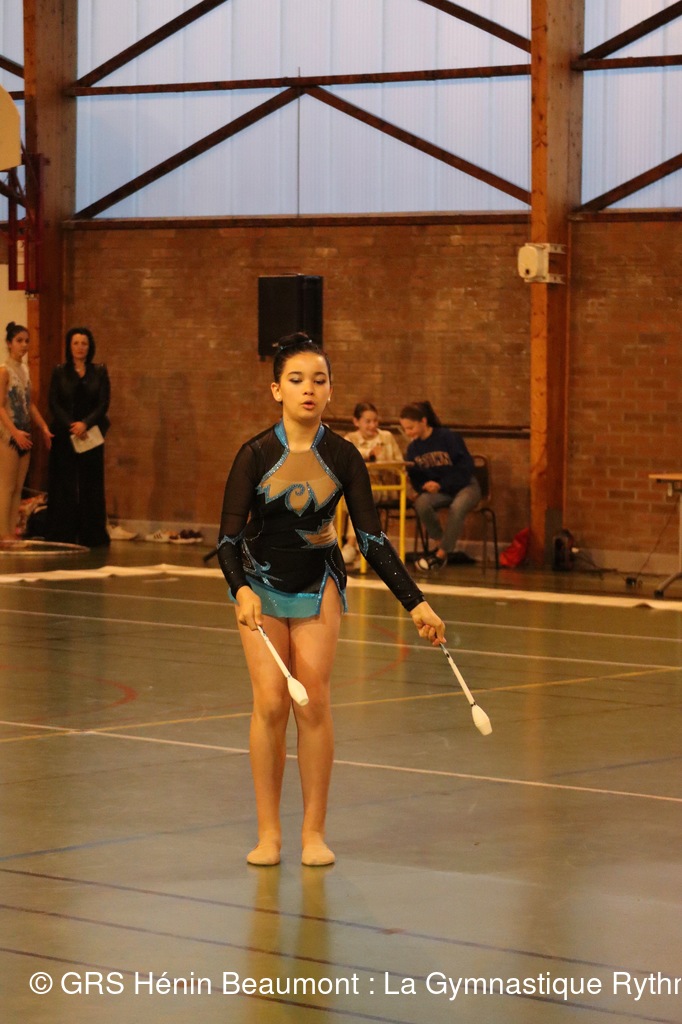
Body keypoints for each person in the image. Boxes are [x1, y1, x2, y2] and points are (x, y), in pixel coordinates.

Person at [217, 334, 445, 868]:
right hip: (258, 585)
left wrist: (416, 603)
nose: (309, 389)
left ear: (330, 390)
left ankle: (313, 832)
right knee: (270, 702)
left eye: (319, 380)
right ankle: (269, 833)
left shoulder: (343, 456)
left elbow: (371, 540)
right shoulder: (254, 454)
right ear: (276, 389)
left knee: (312, 700)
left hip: (318, 582)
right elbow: (227, 539)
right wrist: (240, 589)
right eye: (296, 379)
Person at [46, 326, 111, 547]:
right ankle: (61, 532)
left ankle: (92, 534)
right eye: (76, 343)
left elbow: (103, 403)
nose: (80, 347)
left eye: (84, 343)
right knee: (64, 482)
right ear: (69, 346)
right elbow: (54, 402)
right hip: (65, 435)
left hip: (90, 435)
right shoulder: (59, 371)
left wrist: (86, 423)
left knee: (90, 483)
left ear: (90, 347)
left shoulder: (99, 372)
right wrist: (71, 425)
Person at [399, 400, 481, 572]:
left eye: (411, 428)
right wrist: (424, 486)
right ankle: (440, 543)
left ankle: (441, 555)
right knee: (422, 503)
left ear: (423, 421)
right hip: (440, 491)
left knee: (457, 507)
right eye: (405, 429)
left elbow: (465, 468)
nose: (408, 433)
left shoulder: (448, 437)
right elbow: (416, 476)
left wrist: (441, 484)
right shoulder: (413, 448)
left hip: (465, 486)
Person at [0, 322, 53, 540]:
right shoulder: (4, 371)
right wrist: (14, 433)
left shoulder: (24, 370)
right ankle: (2, 534)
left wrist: (43, 427)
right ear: (9, 343)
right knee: (6, 487)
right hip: (8, 436)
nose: (24, 345)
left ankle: (12, 532)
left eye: (26, 341)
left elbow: (29, 404)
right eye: (19, 341)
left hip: (25, 433)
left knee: (18, 488)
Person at [341, 401, 404, 564]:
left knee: (358, 498)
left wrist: (383, 462)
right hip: (356, 489)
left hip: (384, 487)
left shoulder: (386, 437)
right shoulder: (350, 439)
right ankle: (352, 548)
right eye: (367, 421)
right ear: (356, 422)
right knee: (351, 497)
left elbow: (400, 464)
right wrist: (368, 453)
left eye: (375, 420)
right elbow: (345, 459)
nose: (372, 425)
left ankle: (351, 544)